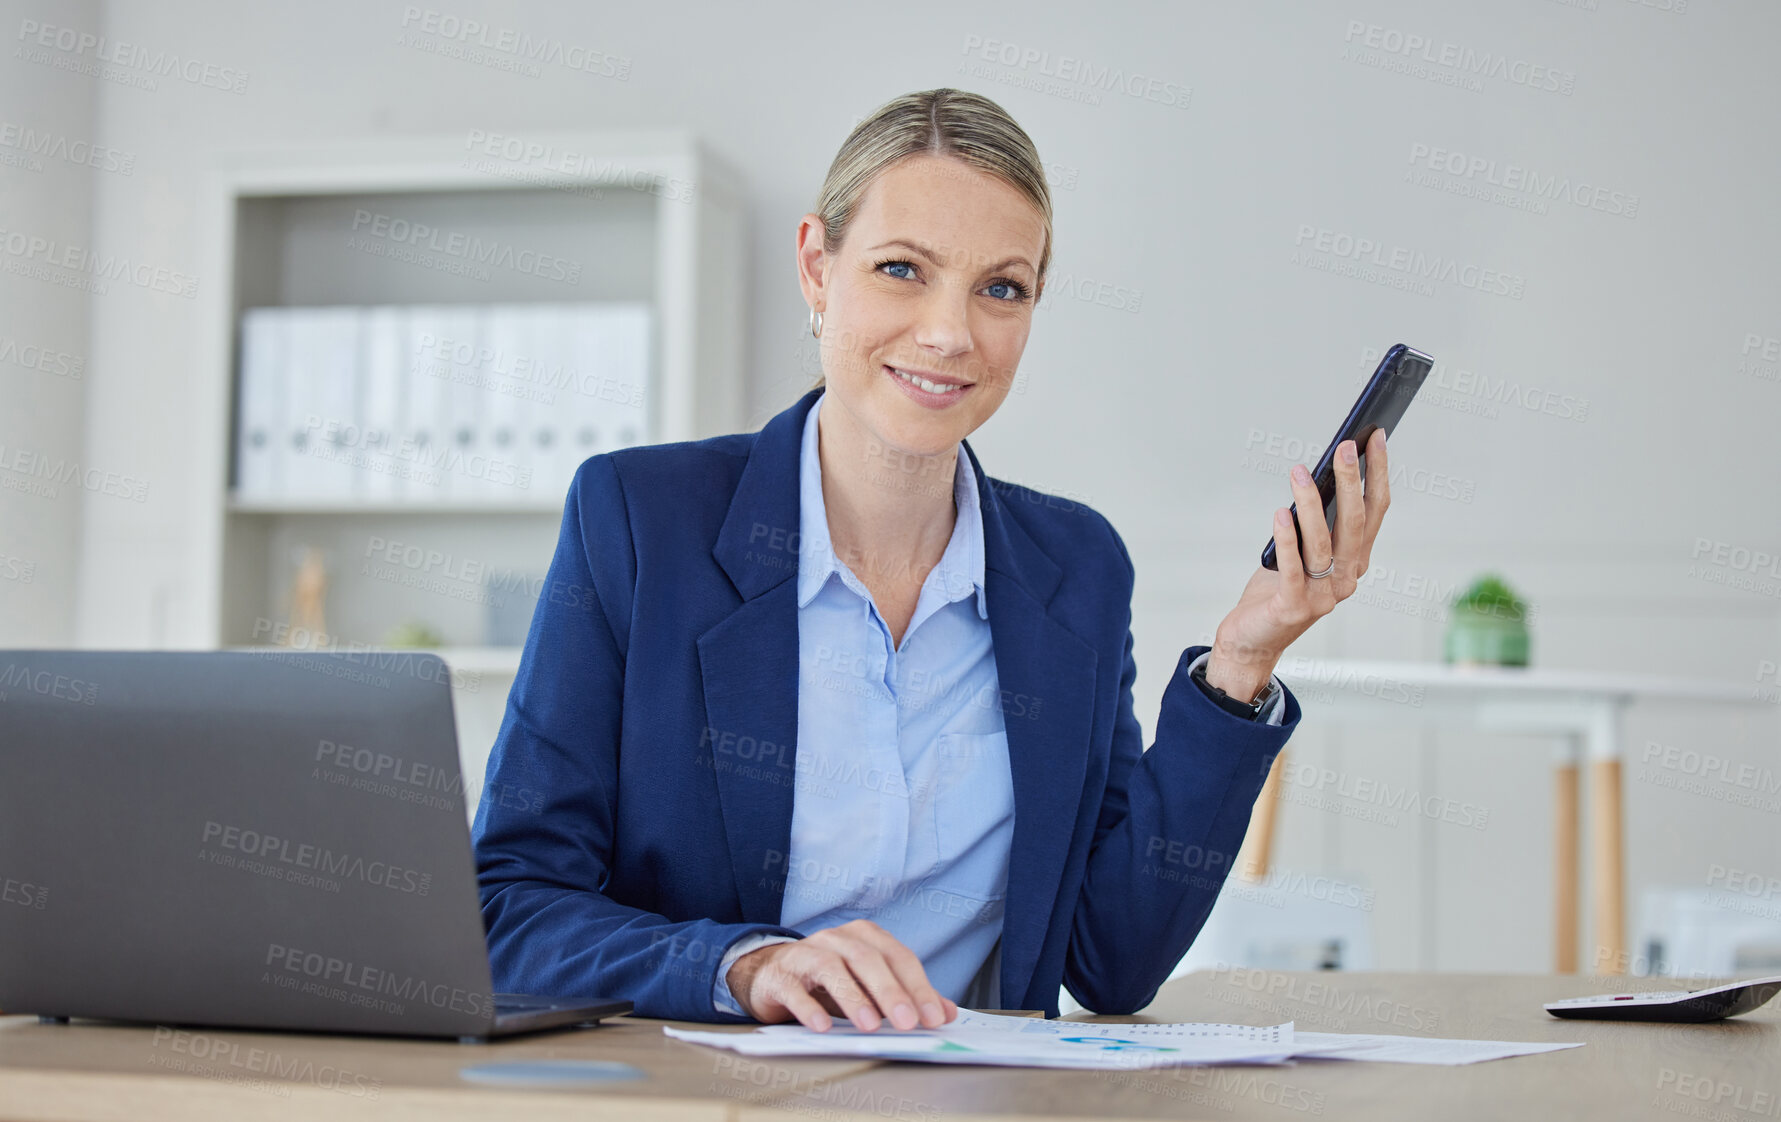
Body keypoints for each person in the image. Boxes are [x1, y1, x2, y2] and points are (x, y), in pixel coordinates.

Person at [472, 88, 1392, 1032]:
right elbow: (508, 904)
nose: (950, 332)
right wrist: (743, 966)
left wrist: (1241, 665)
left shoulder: (1073, 567)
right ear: (815, 267)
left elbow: (1112, 960)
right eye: (902, 268)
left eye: (1001, 288)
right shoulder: (639, 521)